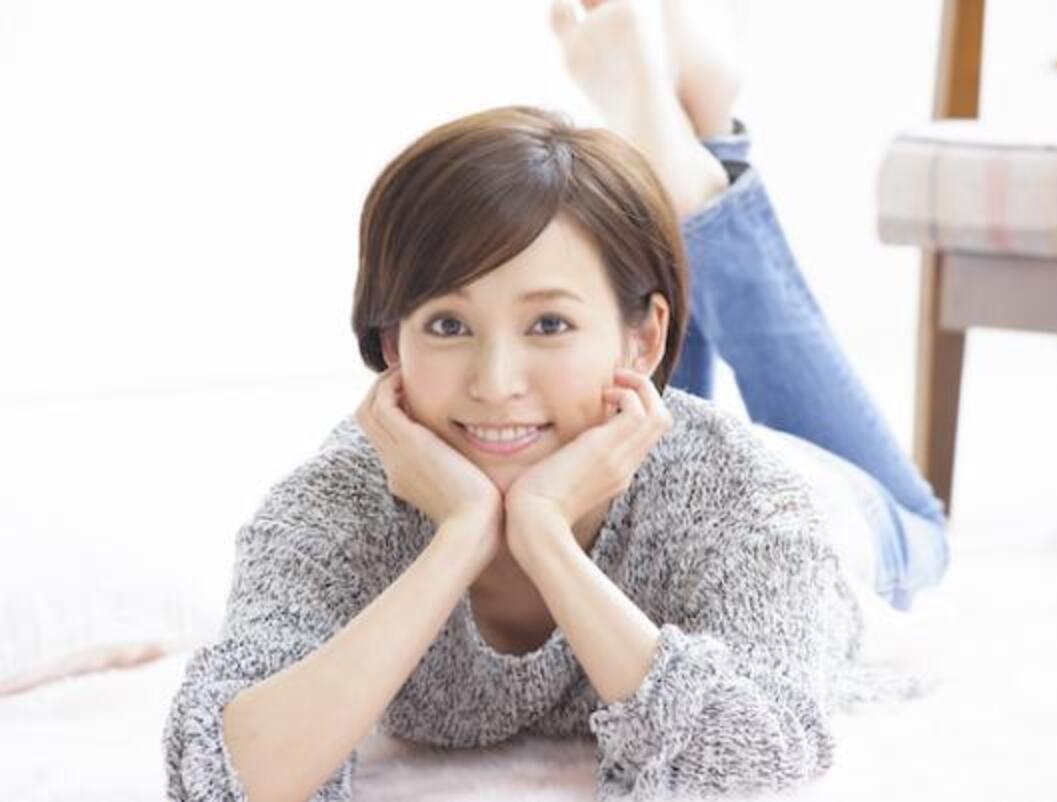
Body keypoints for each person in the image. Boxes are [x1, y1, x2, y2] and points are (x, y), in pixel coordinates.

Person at [162, 1, 947, 800]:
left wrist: (542, 535)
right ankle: (680, 137)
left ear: (646, 339)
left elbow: (756, 756)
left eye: (547, 323)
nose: (495, 381)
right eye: (447, 324)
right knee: (595, 381)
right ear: (391, 343)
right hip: (613, 426)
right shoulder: (340, 504)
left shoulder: (750, 496)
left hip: (829, 500)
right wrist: (460, 537)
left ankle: (704, 168)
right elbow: (222, 775)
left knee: (926, 532)